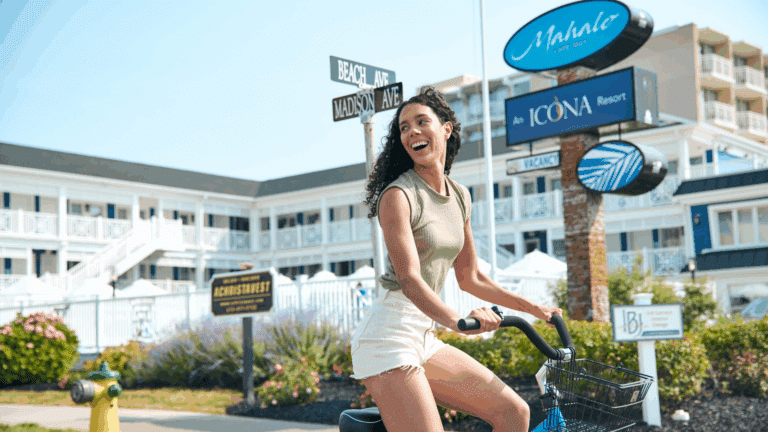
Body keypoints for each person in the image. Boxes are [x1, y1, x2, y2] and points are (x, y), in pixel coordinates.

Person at [349, 87, 563, 432]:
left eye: (422, 122)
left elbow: (471, 277)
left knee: (514, 412)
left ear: (446, 128)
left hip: (424, 335)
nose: (412, 131)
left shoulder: (460, 195)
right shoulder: (398, 196)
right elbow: (409, 280)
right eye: (404, 127)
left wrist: (535, 309)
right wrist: (458, 321)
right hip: (388, 336)